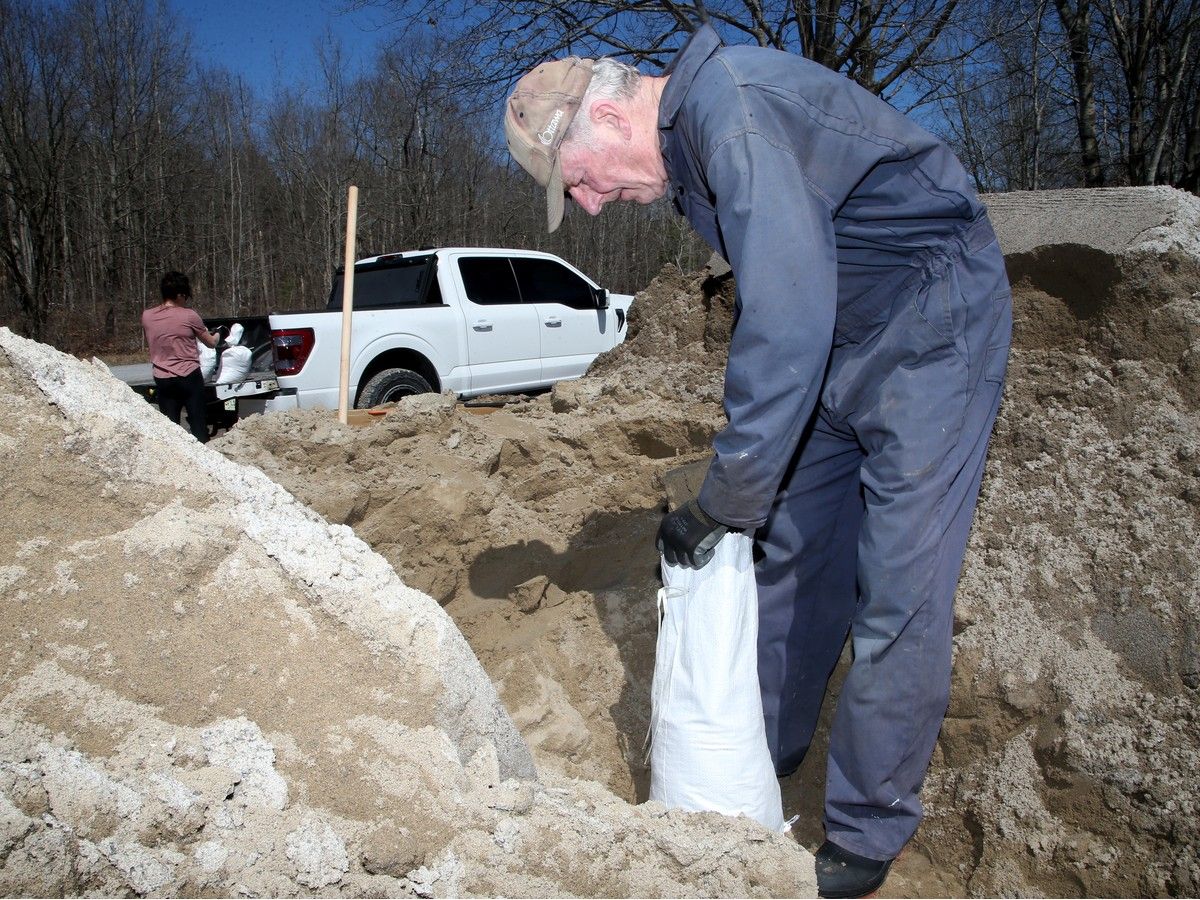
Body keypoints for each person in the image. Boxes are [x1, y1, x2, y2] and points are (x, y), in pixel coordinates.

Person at [505, 24, 1012, 900]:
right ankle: (761, 746)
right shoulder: (696, 145)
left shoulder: (732, 117)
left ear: (613, 115)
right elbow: (797, 308)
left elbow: (785, 318)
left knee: (899, 586)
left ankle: (865, 826)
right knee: (792, 556)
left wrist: (723, 494)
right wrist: (743, 496)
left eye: (578, 180)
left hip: (932, 322)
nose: (587, 205)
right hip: (841, 335)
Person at [142, 271, 222, 443]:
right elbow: (210, 343)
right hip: (188, 376)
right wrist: (218, 335)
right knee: (198, 424)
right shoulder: (189, 315)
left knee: (171, 428)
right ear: (180, 294)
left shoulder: (147, 316)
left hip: (162, 377)